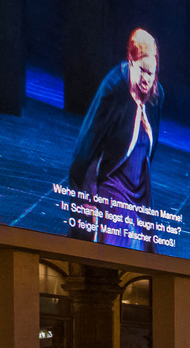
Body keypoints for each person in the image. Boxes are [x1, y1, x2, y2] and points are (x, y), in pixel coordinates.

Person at [67, 29, 163, 251]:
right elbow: (87, 147)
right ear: (130, 61)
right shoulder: (114, 89)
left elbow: (150, 150)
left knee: (143, 247)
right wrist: (87, 199)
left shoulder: (158, 98)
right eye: (142, 70)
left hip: (139, 188)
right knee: (118, 243)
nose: (147, 79)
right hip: (111, 180)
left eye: (152, 73)